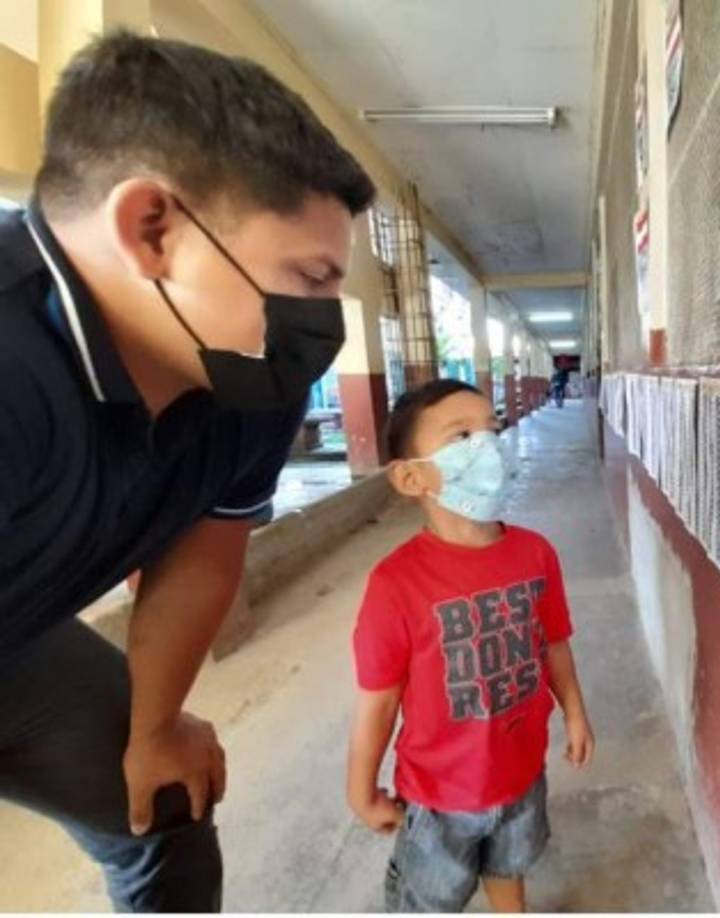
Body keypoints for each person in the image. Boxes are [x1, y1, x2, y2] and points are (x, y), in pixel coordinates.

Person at [0, 32, 373, 911]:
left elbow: (206, 551)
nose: (321, 322)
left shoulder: (248, 377)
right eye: (308, 278)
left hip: (19, 641)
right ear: (153, 229)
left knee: (165, 801)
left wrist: (156, 725)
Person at [346, 380, 595, 913]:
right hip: (438, 797)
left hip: (521, 773)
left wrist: (574, 712)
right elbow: (380, 700)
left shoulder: (536, 554)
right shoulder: (395, 585)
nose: (488, 446)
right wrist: (361, 787)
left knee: (509, 864)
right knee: (430, 898)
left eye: (493, 429)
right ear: (411, 477)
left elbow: (554, 643)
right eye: (462, 435)